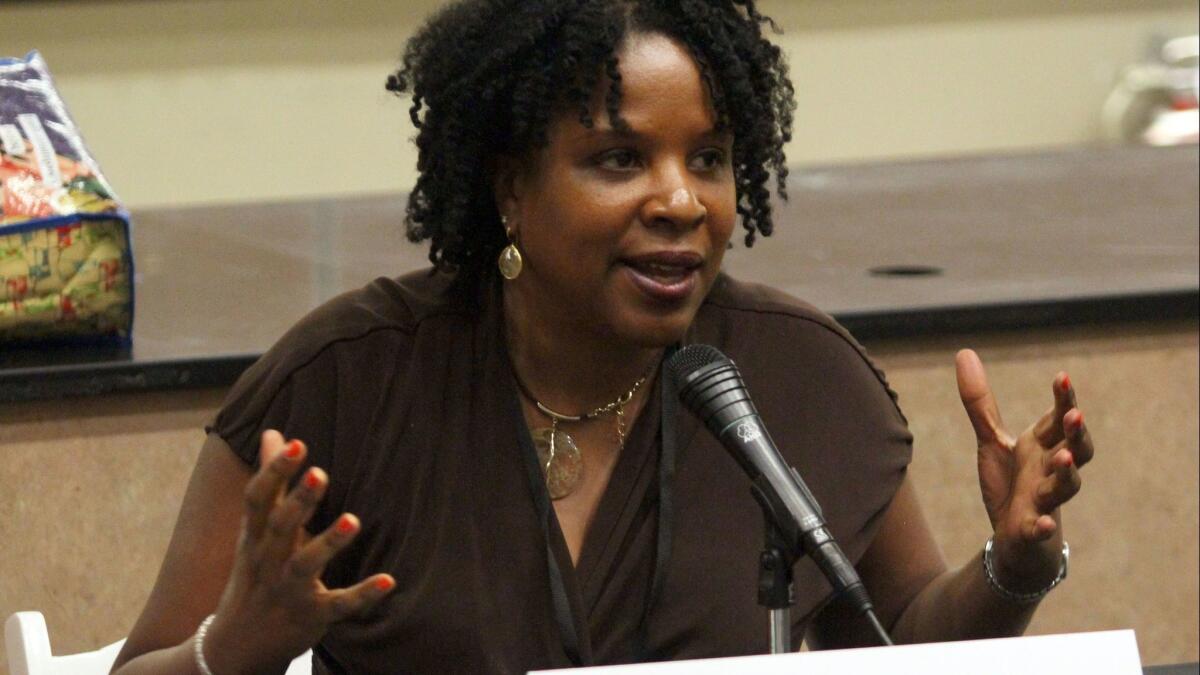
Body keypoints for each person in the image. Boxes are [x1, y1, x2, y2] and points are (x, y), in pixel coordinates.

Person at [110, 1, 1094, 673]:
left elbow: (908, 641)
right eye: (619, 158)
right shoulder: (349, 382)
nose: (679, 200)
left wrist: (1014, 562)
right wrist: (235, 644)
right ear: (509, 187)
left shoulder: (798, 378)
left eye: (707, 158)